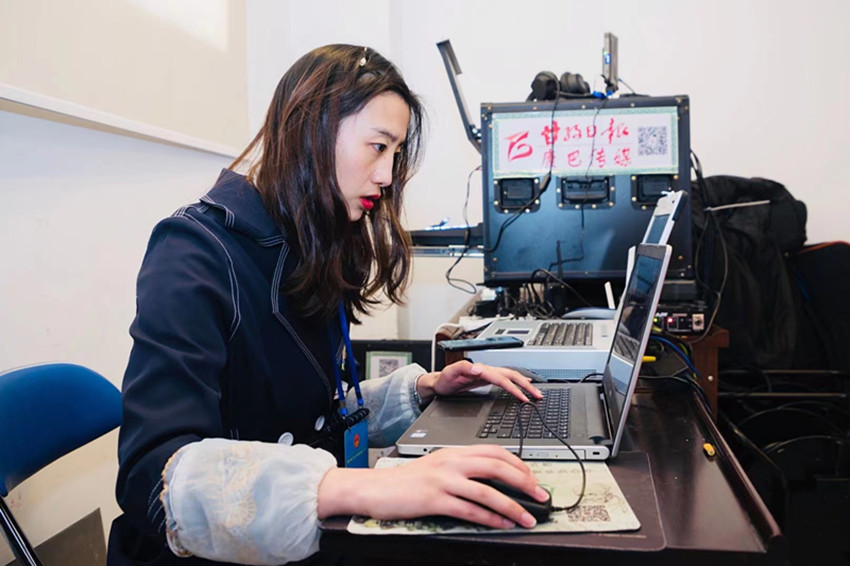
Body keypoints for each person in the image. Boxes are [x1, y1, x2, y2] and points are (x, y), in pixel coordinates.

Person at [108, 44, 547, 566]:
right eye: (378, 147)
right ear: (311, 130)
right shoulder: (195, 250)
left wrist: (423, 389)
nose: (387, 176)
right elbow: (151, 473)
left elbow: (311, 415)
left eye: (395, 154)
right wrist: (362, 488)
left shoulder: (307, 239)